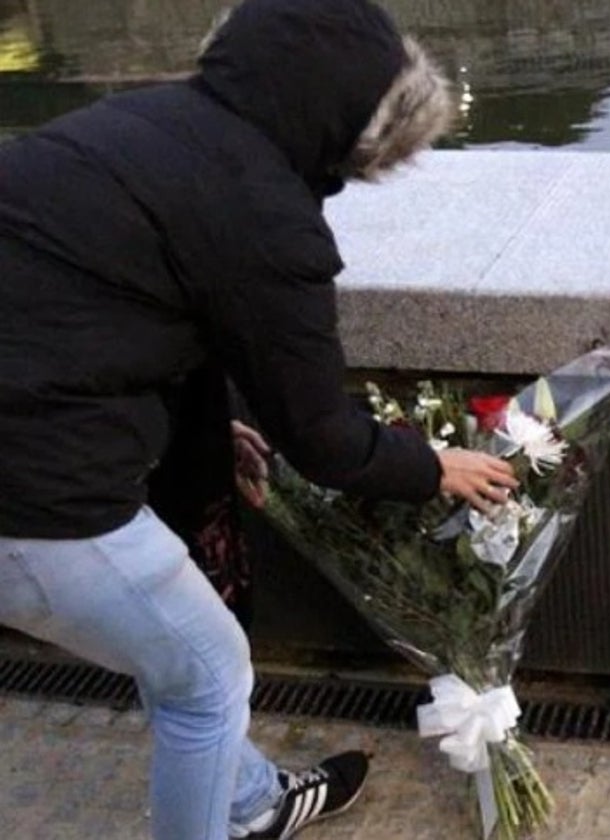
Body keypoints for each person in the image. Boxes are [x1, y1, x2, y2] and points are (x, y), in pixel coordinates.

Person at [0, 1, 518, 838]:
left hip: (31, 449)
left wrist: (197, 432)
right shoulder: (267, 216)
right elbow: (323, 440)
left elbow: (96, 311)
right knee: (207, 675)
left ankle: (248, 799)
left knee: (169, 647)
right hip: (35, 500)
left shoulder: (136, 120)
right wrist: (434, 467)